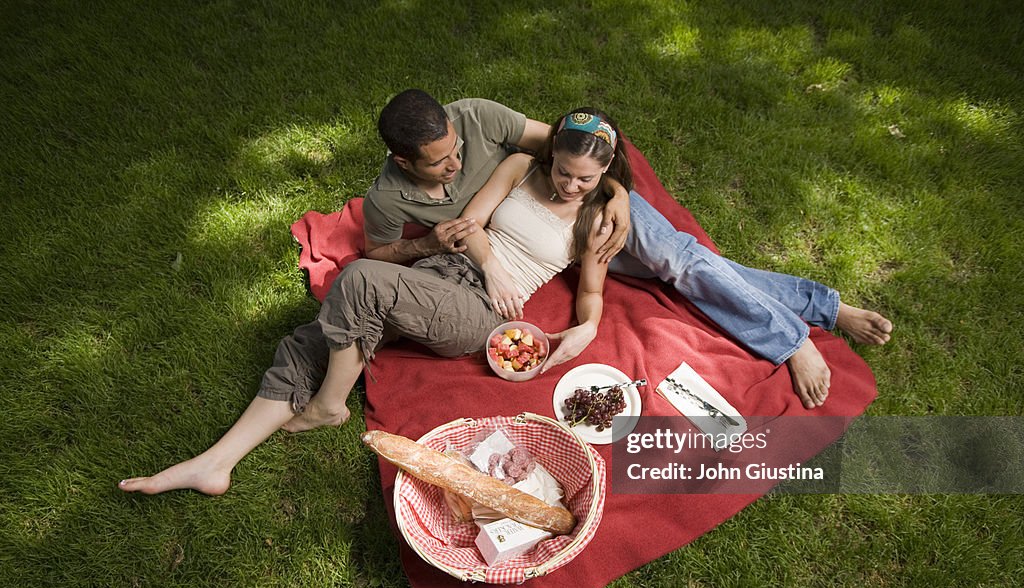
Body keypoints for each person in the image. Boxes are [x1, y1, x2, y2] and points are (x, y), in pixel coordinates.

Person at [118, 108, 631, 496]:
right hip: (439, 274)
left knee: (360, 278)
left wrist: (587, 326)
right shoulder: (521, 166)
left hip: (479, 313)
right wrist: (491, 263)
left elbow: (590, 291)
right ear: (552, 156)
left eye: (585, 179)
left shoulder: (600, 214)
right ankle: (217, 461)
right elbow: (470, 223)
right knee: (311, 339)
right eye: (564, 172)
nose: (570, 185)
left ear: (606, 170)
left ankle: (327, 406)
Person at [361, 90, 893, 409]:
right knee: (687, 270)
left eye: (453, 152)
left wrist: (613, 194)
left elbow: (574, 152)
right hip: (552, 218)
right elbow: (553, 165)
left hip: (603, 204)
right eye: (438, 162)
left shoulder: (485, 119)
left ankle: (791, 339)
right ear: (407, 160)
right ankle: (826, 306)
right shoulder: (404, 193)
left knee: (678, 261)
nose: (452, 164)